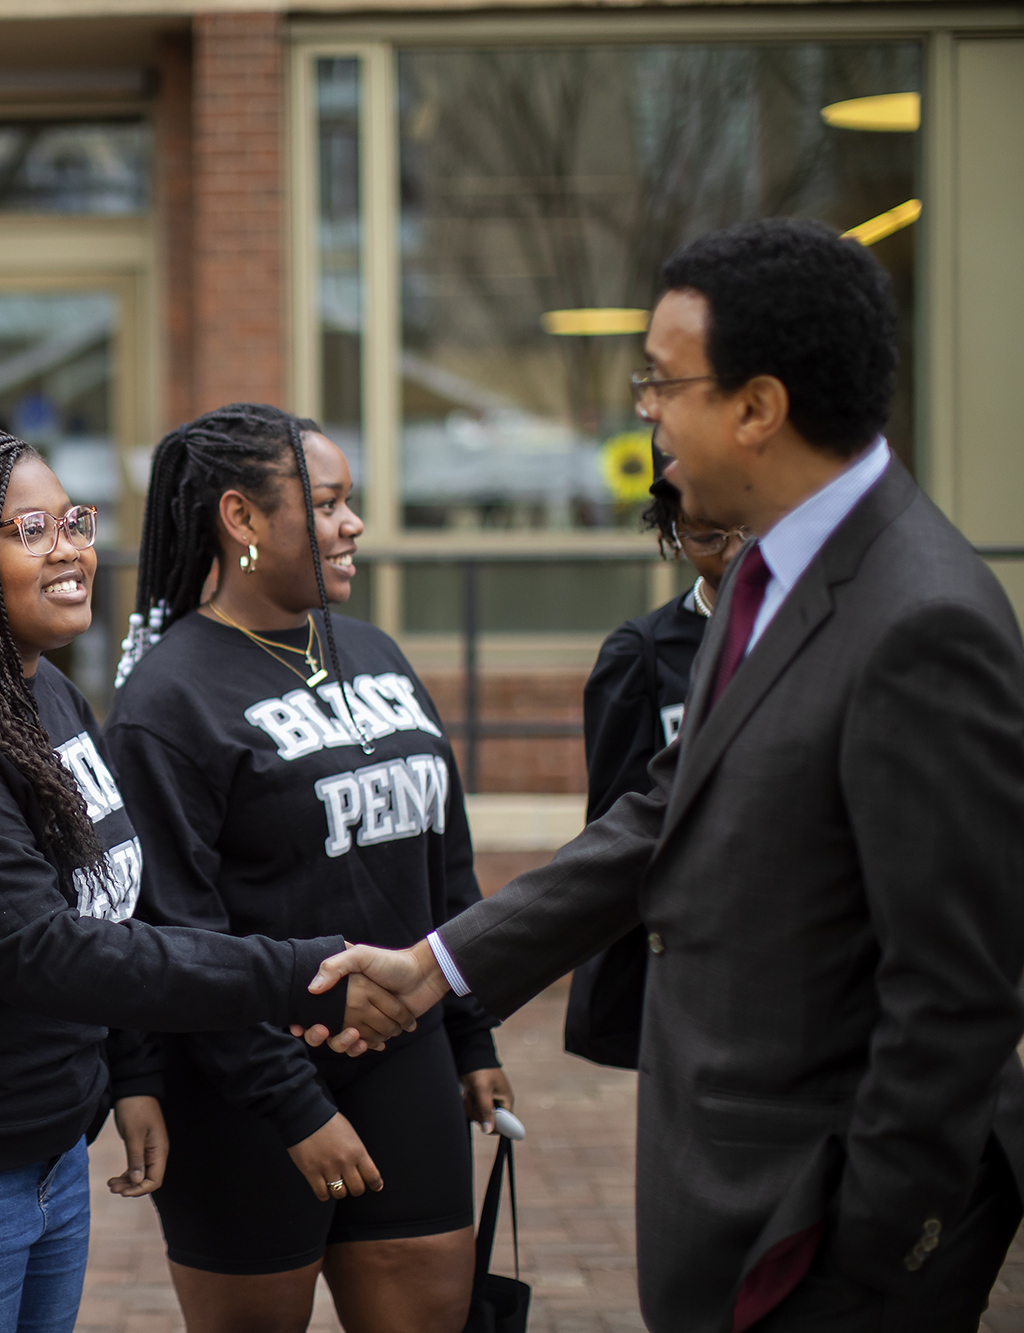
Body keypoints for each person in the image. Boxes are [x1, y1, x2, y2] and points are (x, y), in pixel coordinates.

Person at [305, 218, 1024, 1332]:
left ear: (756, 407)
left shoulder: (921, 621)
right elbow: (660, 813)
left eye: (661, 378)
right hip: (725, 1206)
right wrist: (437, 965)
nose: (643, 407)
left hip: (816, 1241)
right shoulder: (762, 564)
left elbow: (957, 990)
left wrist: (870, 1247)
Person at [0, 425, 410, 1333]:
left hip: (39, 1140)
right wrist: (300, 973)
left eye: (76, 522)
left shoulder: (43, 692)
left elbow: (114, 899)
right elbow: (45, 950)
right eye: (30, 531)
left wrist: (126, 1071)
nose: (71, 550)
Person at [107, 404, 508, 1333]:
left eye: (350, 502)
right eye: (326, 503)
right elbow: (172, 932)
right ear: (242, 519)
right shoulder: (167, 700)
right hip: (244, 1081)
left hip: (404, 1055)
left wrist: (473, 1037)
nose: (352, 523)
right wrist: (292, 1103)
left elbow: (444, 858)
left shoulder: (373, 651)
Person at [564, 444, 747, 1068]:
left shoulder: (816, 627)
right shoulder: (642, 653)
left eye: (748, 529)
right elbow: (617, 822)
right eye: (708, 535)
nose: (735, 551)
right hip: (694, 951)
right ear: (672, 535)